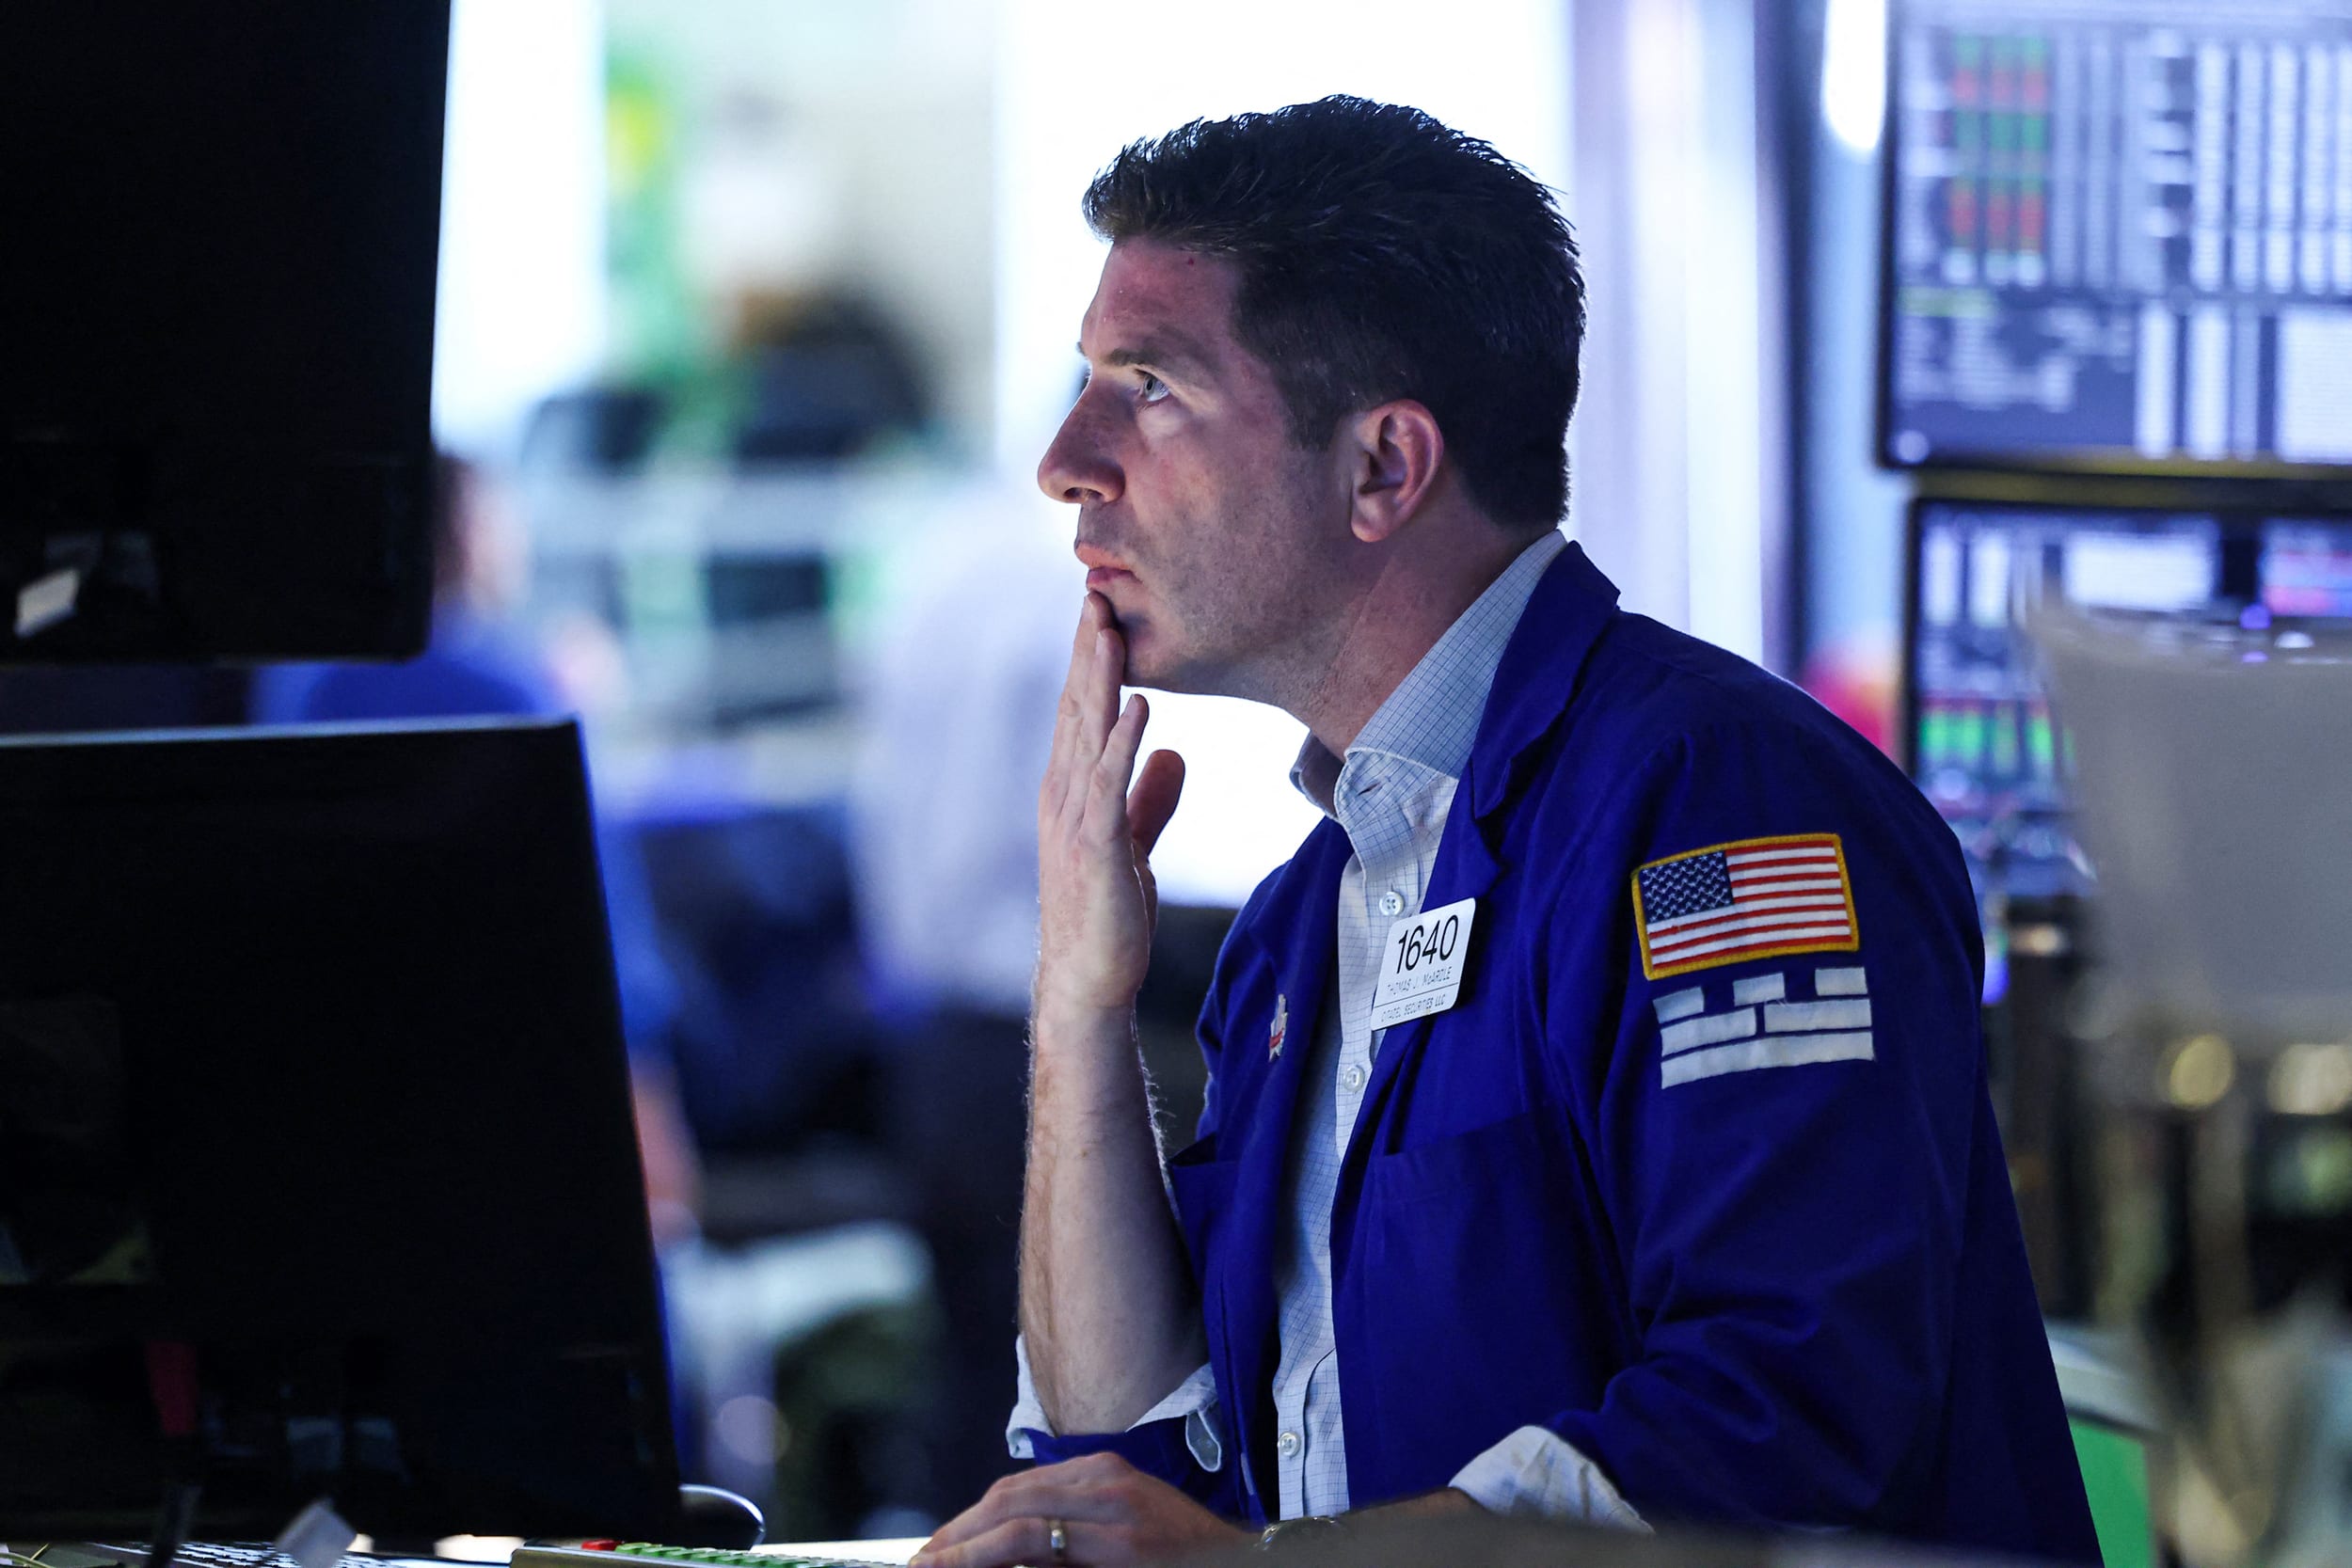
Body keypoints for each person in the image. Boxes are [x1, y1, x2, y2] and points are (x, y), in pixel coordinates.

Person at [915, 98, 2100, 1567]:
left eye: (1147, 385)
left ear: (1382, 469)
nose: (1065, 460)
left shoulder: (1720, 809)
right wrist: (1079, 999)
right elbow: (1129, 1458)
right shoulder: (1310, 917)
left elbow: (1788, 1417)